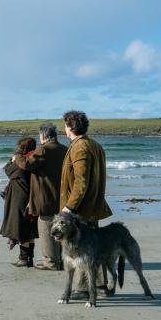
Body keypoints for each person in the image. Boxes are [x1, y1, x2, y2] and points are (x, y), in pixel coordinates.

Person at [60, 110, 112, 298]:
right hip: (92, 206)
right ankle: (100, 285)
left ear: (71, 127)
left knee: (82, 249)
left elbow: (81, 182)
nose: (64, 128)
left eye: (65, 125)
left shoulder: (80, 147)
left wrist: (69, 207)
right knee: (93, 247)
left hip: (81, 210)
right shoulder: (94, 145)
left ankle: (84, 289)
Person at [12, 122, 68, 271]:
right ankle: (60, 260)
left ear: (44, 136)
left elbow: (26, 164)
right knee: (60, 228)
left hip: (46, 195)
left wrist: (18, 155)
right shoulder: (64, 149)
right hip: (62, 196)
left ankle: (51, 262)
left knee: (46, 226)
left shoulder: (44, 150)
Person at [0, 137, 38, 267]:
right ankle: (29, 258)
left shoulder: (20, 162)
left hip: (20, 197)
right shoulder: (34, 160)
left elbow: (8, 170)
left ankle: (23, 259)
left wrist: (12, 160)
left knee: (22, 228)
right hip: (30, 196)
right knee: (30, 229)